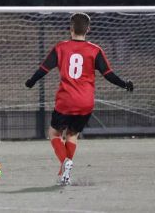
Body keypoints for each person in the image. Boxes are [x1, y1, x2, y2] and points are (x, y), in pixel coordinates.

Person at [25, 13, 133, 185]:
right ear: (88, 29)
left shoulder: (61, 47)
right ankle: (65, 173)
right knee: (73, 134)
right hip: (86, 102)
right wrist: (124, 84)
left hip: (66, 100)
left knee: (54, 133)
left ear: (71, 28)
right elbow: (109, 74)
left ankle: (64, 162)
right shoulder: (95, 50)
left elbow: (44, 69)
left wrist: (31, 82)